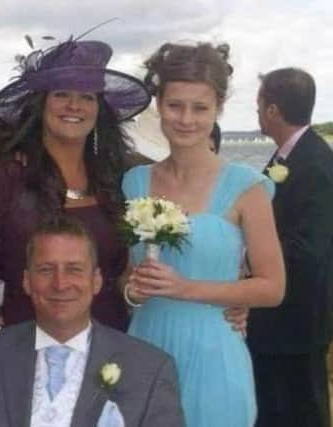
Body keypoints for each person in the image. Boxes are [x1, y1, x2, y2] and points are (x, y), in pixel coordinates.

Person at [122, 42, 286, 427]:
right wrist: (131, 291)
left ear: (218, 110)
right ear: (159, 104)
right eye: (175, 105)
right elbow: (125, 278)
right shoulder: (134, 182)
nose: (186, 119)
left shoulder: (248, 188)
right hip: (146, 344)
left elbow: (272, 287)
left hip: (215, 354)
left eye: (201, 108)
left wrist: (186, 289)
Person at [0, 39, 151, 334]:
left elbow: (124, 272)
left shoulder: (117, 178)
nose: (74, 105)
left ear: (98, 109)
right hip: (25, 340)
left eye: (87, 97)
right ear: (42, 104)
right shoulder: (6, 176)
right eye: (61, 94)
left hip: (109, 338)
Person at [0, 216, 185, 427]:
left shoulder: (149, 368)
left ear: (96, 281)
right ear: (26, 281)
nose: (60, 284)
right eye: (46, 270)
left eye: (74, 269)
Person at [248, 67, 333, 427]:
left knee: (303, 412)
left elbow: (308, 250)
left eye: (259, 104)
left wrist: (248, 258)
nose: (256, 112)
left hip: (297, 319)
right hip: (280, 320)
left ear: (273, 110)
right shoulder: (291, 156)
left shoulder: (314, 164)